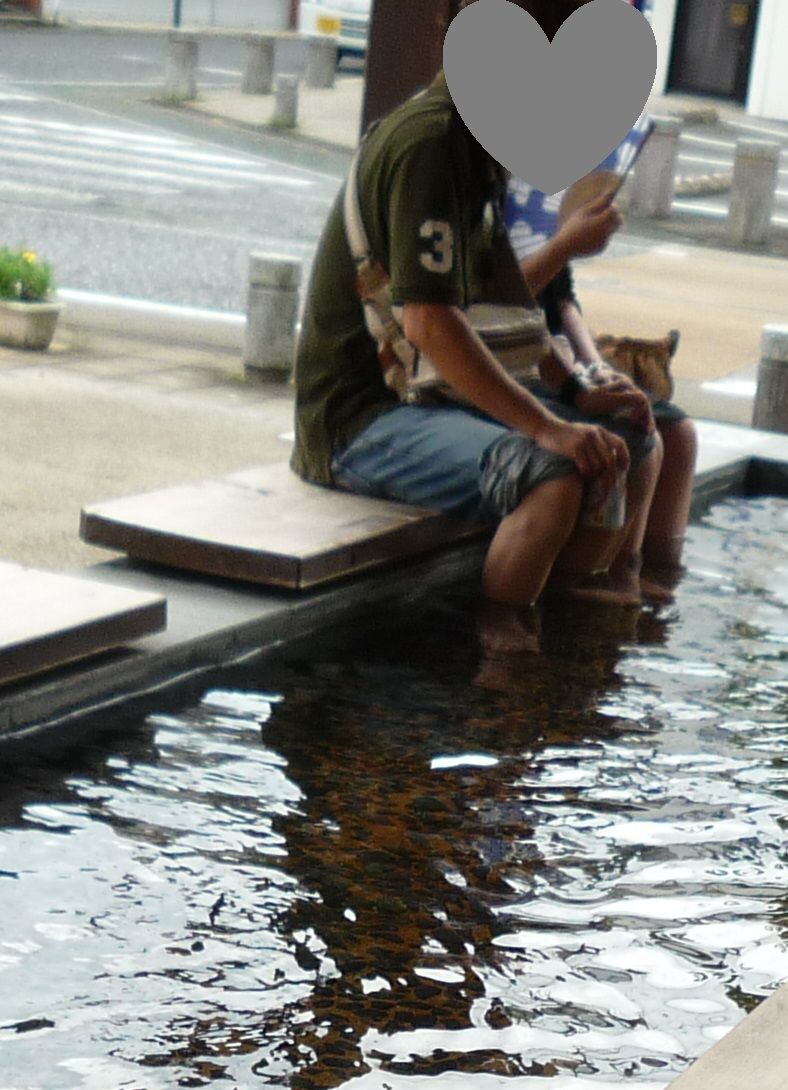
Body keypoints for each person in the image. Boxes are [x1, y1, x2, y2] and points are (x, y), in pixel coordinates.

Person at [287, 0, 660, 650]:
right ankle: (499, 666)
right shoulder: (429, 146)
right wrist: (547, 426)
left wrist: (576, 398)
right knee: (552, 477)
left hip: (430, 396)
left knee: (621, 439)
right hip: (362, 417)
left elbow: (507, 309)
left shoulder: (477, 147)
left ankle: (568, 630)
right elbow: (431, 323)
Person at [504, 156, 698, 604]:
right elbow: (503, 304)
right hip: (522, 358)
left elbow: (562, 299)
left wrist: (595, 365)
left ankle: (654, 571)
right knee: (628, 436)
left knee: (677, 433)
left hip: (558, 356)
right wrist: (566, 244)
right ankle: (609, 577)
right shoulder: (497, 202)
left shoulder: (543, 200)